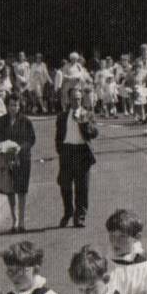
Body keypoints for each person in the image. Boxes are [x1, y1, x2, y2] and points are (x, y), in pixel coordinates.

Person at [56, 85, 99, 228]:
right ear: (69, 100)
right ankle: (68, 211)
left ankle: (80, 217)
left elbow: (94, 133)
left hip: (82, 152)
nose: (77, 103)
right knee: (65, 184)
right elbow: (58, 136)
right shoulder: (62, 116)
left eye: (79, 99)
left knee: (82, 187)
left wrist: (84, 123)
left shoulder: (87, 114)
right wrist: (61, 151)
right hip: (67, 151)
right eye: (74, 99)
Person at [0, 92, 37, 233]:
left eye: (16, 105)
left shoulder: (26, 121)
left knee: (22, 190)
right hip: (6, 159)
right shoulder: (1, 121)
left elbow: (31, 139)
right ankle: (14, 220)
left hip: (22, 159)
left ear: (20, 106)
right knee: (10, 190)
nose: (14, 108)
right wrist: (4, 146)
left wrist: (19, 148)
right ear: (7, 106)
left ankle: (22, 222)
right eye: (11, 105)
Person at [106, 208, 147, 294]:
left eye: (122, 236)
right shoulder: (102, 265)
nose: (115, 242)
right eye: (112, 235)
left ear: (137, 237)